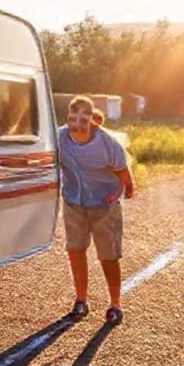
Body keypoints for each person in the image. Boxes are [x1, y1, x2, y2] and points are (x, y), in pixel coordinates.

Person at [59, 96, 135, 324]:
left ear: (93, 120)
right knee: (75, 249)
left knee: (108, 256)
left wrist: (120, 192)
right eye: (73, 117)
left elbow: (126, 178)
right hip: (74, 201)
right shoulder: (59, 137)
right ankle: (81, 300)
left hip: (104, 204)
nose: (78, 123)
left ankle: (115, 303)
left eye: (84, 118)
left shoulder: (108, 144)